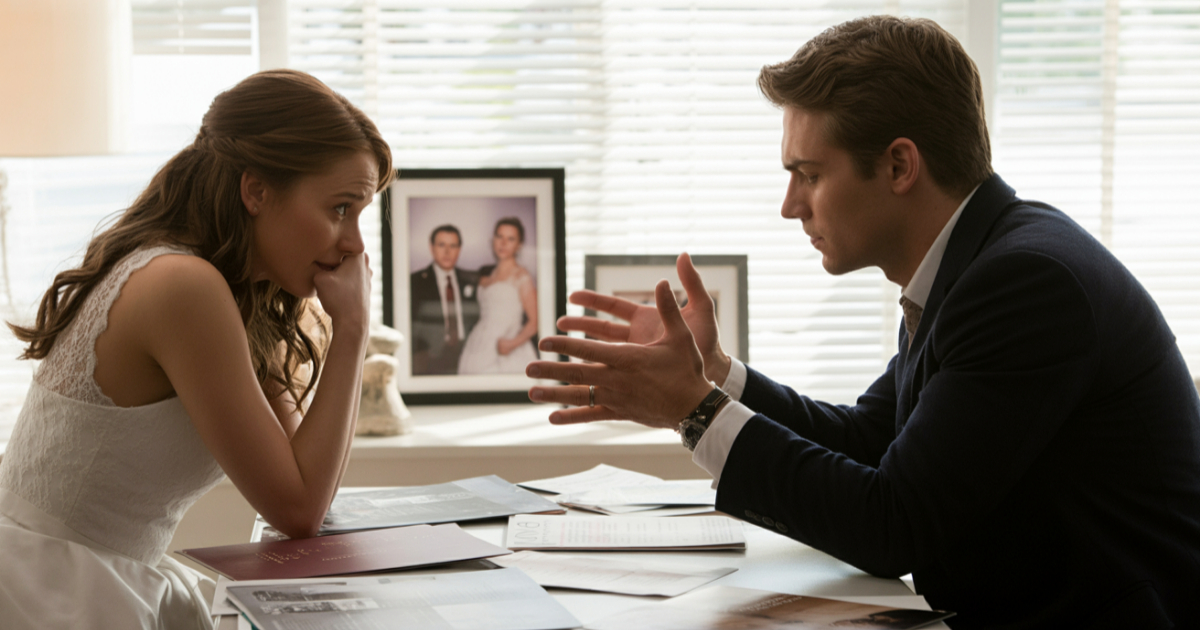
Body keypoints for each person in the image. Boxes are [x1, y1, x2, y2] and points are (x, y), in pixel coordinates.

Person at [525, 15, 1200, 629]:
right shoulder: (977, 262)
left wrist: (695, 411)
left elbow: (893, 523)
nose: (791, 206)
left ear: (899, 165)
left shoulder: (1026, 284)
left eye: (809, 174)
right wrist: (716, 379)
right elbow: (872, 440)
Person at [0, 69, 392, 629]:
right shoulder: (182, 286)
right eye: (339, 209)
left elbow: (301, 477)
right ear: (256, 191)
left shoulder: (236, 294)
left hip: (97, 572)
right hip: (52, 591)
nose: (354, 243)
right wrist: (352, 329)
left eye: (360, 215)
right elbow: (299, 507)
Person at [458, 217, 538, 374]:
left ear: (519, 245)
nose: (503, 243)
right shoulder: (486, 276)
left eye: (510, 239)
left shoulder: (521, 276)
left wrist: (511, 344)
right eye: (499, 236)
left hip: (507, 345)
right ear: (492, 240)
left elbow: (535, 322)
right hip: (479, 342)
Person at [409, 225, 481, 375]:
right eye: (441, 245)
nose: (447, 252)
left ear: (459, 249)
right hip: (430, 357)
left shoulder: (473, 280)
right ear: (431, 247)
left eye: (453, 246)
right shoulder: (415, 282)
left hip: (469, 354)